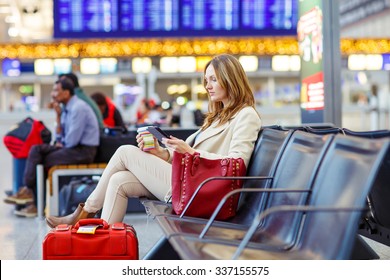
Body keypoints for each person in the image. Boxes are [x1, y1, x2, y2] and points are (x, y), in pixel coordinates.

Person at [46, 54, 261, 227]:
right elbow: (190, 156)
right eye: (206, 80)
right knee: (118, 180)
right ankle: (104, 247)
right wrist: (163, 153)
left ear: (231, 78)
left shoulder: (246, 115)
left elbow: (236, 164)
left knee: (124, 152)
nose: (208, 86)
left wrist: (190, 152)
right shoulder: (217, 116)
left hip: (204, 191)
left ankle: (86, 212)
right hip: (190, 182)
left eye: (213, 79)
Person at [4, 78, 100, 217]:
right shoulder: (66, 109)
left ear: (66, 93)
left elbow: (71, 141)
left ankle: (31, 198)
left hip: (83, 151)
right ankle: (29, 194)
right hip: (73, 148)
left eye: (56, 90)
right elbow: (60, 138)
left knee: (40, 158)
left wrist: (61, 144)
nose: (53, 94)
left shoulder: (78, 108)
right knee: (37, 150)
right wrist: (58, 116)